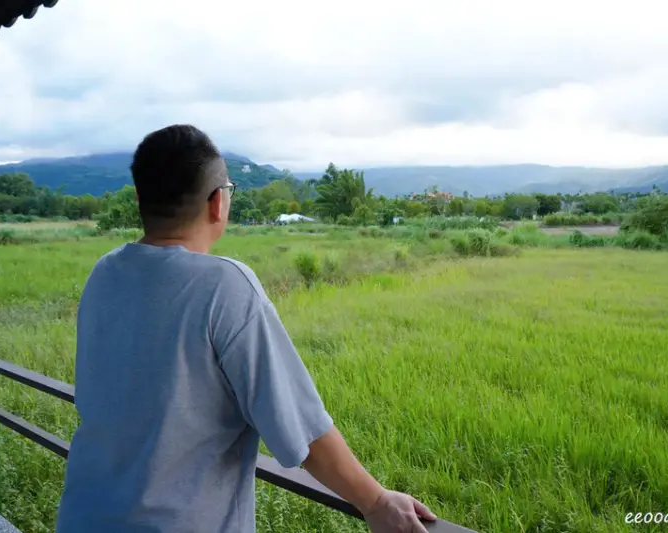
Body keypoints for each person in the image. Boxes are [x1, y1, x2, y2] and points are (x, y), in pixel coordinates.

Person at [55, 124, 436, 533]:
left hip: (83, 515)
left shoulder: (106, 271)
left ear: (138, 199)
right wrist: (376, 502)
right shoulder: (223, 284)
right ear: (218, 203)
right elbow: (299, 427)